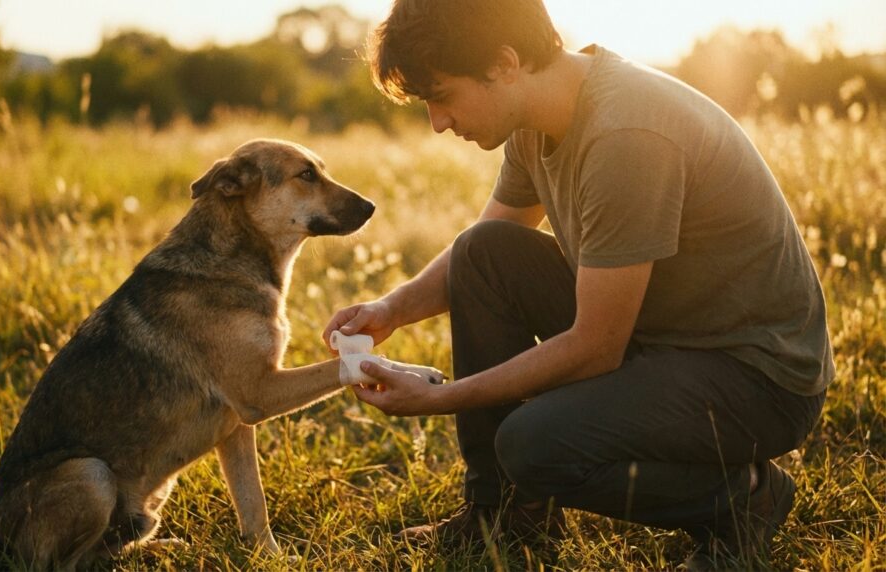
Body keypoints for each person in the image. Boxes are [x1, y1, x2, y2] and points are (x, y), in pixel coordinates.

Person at [321, 0, 833, 568]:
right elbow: (491, 243)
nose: (438, 121)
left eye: (441, 96)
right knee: (482, 252)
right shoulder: (537, 118)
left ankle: (746, 501)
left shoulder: (625, 134)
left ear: (506, 63)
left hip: (755, 377)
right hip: (663, 335)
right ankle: (507, 515)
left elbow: (595, 346)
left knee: (531, 445)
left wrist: (438, 399)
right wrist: (392, 309)